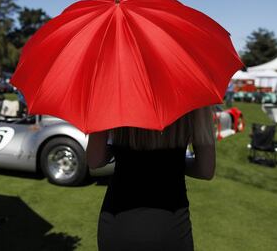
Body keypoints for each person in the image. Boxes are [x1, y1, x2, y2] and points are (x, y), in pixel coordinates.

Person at [86, 106, 216, 251]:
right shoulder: (193, 94)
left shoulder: (115, 94)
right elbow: (205, 170)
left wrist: (119, 153)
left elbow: (95, 160)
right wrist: (171, 162)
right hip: (171, 226)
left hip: (118, 222)